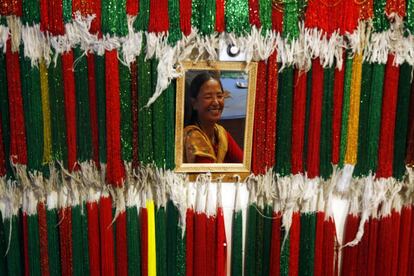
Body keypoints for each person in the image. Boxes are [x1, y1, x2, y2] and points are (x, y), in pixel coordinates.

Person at [183, 72, 243, 163]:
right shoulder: (193, 138)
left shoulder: (220, 133)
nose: (216, 102)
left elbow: (244, 163)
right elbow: (207, 176)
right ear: (194, 103)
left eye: (219, 96)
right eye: (208, 97)